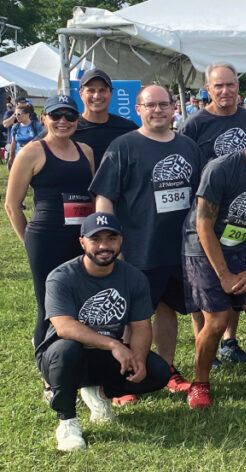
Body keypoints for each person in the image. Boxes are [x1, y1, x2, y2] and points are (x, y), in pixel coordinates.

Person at [89, 85, 202, 394]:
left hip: (181, 249)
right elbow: (104, 197)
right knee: (133, 315)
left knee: (168, 309)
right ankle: (126, 374)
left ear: (173, 109)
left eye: (163, 104)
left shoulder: (188, 146)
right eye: (150, 105)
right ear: (138, 109)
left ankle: (164, 370)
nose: (158, 110)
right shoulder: (123, 146)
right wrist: (110, 243)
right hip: (139, 248)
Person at [181, 103, 246, 408]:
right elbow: (204, 225)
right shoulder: (222, 168)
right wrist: (224, 275)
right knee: (216, 321)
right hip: (203, 247)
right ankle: (199, 383)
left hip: (243, 247)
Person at [35, 212, 171, 451]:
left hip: (103, 356)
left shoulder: (133, 277)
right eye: (95, 239)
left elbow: (141, 325)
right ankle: (67, 422)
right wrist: (113, 345)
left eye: (111, 238)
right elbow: (64, 326)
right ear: (82, 242)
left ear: (121, 241)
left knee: (157, 371)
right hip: (61, 355)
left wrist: (138, 356)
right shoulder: (61, 277)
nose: (104, 246)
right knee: (67, 349)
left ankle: (99, 392)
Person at [5, 94, 95, 352]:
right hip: (46, 237)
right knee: (49, 304)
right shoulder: (32, 152)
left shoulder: (85, 151)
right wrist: (29, 242)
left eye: (69, 116)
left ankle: (77, 359)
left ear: (77, 119)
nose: (63, 121)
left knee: (82, 298)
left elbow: (92, 194)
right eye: (56, 115)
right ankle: (48, 372)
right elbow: (12, 205)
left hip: (81, 237)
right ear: (44, 118)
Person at [179, 62, 246, 365]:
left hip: (242, 213)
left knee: (236, 274)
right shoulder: (195, 124)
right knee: (203, 282)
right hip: (206, 212)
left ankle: (229, 341)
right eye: (218, 86)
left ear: (238, 85)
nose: (225, 91)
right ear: (207, 89)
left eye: (230, 84)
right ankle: (204, 343)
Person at [34, 70, 139, 162]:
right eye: (91, 90)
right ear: (81, 94)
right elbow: (32, 151)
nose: (97, 96)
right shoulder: (67, 127)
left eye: (102, 90)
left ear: (111, 93)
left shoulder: (127, 128)